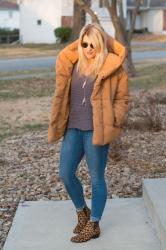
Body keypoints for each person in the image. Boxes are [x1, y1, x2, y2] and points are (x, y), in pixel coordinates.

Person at [48, 23, 129, 243]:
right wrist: (85, 33)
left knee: (96, 178)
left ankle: (94, 223)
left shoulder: (113, 67)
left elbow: (122, 99)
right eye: (85, 44)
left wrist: (114, 119)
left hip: (97, 130)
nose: (89, 48)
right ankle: (81, 210)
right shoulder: (72, 63)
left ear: (101, 44)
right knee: (65, 173)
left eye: (94, 44)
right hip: (73, 128)